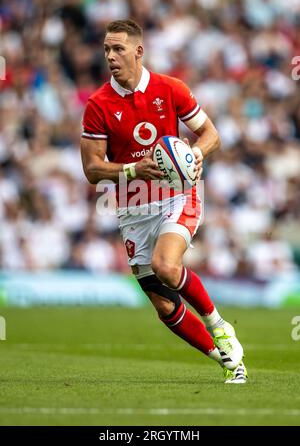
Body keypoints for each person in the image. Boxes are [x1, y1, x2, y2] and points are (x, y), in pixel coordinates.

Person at [80, 19, 247, 384]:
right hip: (133, 208)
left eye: (118, 48)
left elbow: (210, 134)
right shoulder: (98, 105)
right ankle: (227, 360)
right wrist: (131, 171)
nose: (110, 55)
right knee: (163, 304)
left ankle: (218, 324)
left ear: (138, 51)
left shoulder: (170, 89)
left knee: (166, 266)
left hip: (178, 196)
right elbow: (92, 169)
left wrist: (197, 154)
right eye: (107, 49)